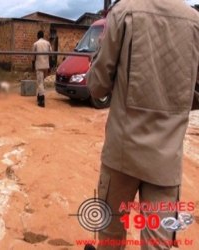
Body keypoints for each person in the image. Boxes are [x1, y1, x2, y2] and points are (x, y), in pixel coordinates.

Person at [86, 0, 199, 249]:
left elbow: (97, 86)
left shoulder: (124, 11)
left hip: (121, 156)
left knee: (111, 236)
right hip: (166, 162)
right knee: (158, 243)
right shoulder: (194, 21)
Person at [33, 30, 52, 108]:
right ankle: (39, 95)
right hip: (46, 65)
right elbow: (51, 54)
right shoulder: (47, 43)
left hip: (39, 65)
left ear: (37, 36)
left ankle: (41, 100)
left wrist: (32, 66)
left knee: (40, 82)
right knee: (42, 82)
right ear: (43, 36)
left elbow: (33, 56)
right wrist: (50, 65)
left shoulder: (36, 44)